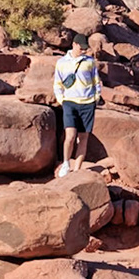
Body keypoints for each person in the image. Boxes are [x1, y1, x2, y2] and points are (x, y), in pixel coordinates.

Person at [53, 32, 100, 176]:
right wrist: (62, 100)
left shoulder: (90, 62)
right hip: (70, 103)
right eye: (81, 48)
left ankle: (77, 171)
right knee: (70, 136)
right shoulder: (61, 62)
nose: (83, 51)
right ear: (74, 44)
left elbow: (96, 82)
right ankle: (66, 163)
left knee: (83, 138)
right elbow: (58, 83)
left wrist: (96, 98)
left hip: (87, 103)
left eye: (85, 48)